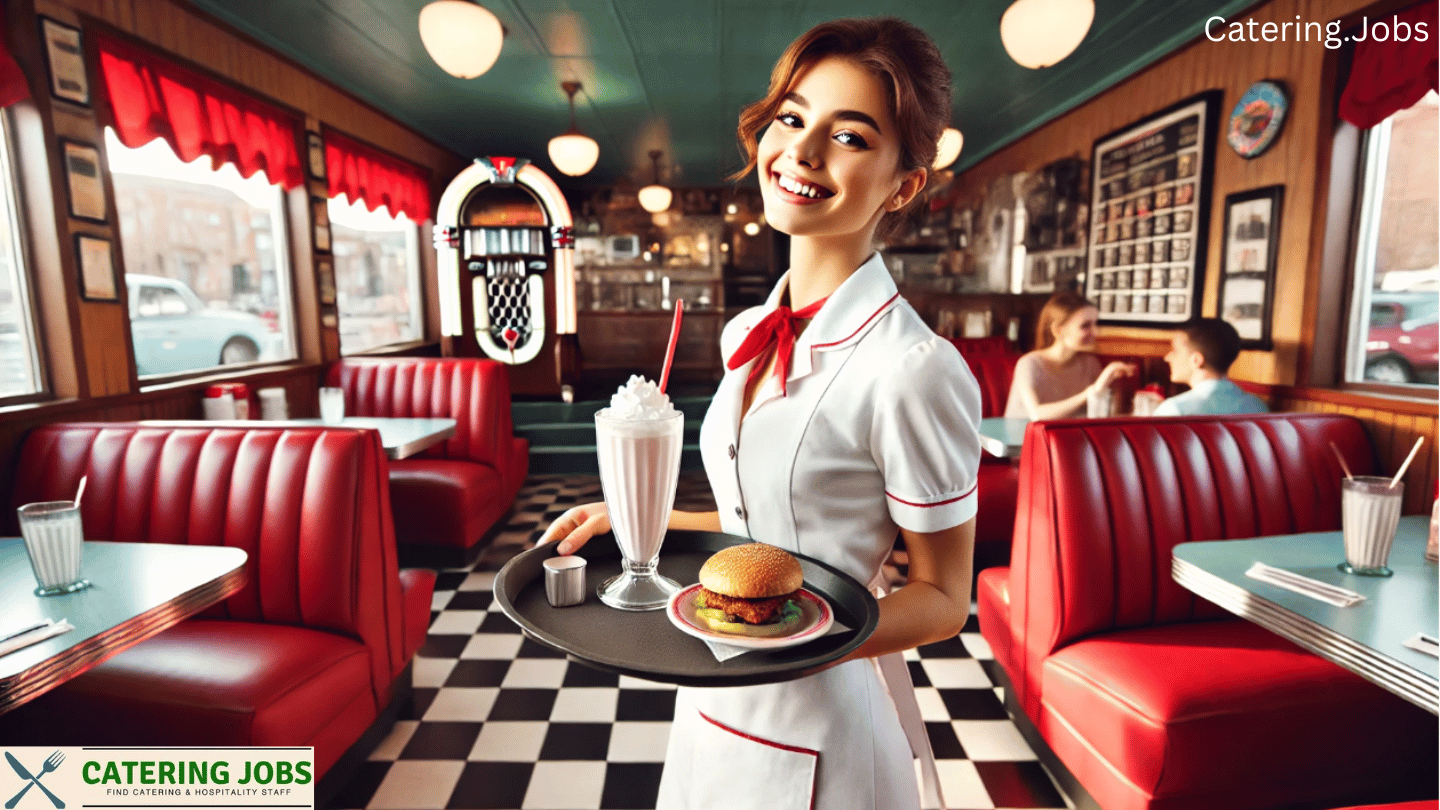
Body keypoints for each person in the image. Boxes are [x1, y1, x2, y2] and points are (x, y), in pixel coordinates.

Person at [540, 18, 979, 810]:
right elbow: (767, 519)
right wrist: (650, 521)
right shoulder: (747, 330)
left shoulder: (914, 369)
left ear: (904, 183)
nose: (803, 153)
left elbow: (945, 601)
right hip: (708, 694)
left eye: (848, 136)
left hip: (825, 722)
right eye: (791, 117)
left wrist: (796, 636)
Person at [1003, 291, 1134, 419]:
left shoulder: (1090, 363)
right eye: (1085, 325)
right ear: (1058, 330)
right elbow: (1037, 415)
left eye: (1095, 324)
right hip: (1019, 439)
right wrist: (1091, 392)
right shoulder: (1029, 363)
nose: (1095, 332)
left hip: (1063, 438)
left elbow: (1106, 415)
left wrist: (1116, 387)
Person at [1151, 318, 1268, 416]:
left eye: (1175, 351)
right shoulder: (1257, 406)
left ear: (1196, 360)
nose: (1167, 357)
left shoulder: (1175, 409)